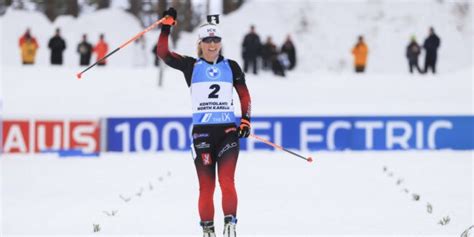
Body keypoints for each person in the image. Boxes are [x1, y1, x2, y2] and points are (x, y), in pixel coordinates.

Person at [157, 8, 251, 237]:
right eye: (207, 40)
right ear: (200, 43)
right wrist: (166, 26)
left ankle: (230, 226)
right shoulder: (191, 66)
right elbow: (162, 53)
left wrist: (245, 120)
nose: (212, 45)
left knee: (227, 181)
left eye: (216, 40)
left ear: (220, 42)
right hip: (202, 136)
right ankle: (208, 230)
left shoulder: (232, 66)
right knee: (206, 188)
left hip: (228, 132)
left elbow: (244, 95)